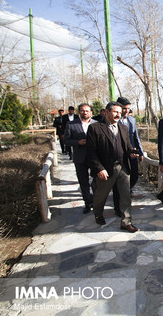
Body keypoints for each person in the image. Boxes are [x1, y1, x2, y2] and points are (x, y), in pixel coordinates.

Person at [86, 102, 140, 233]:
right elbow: (91, 152)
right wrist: (99, 168)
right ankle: (98, 214)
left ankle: (126, 222)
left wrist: (131, 152)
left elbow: (126, 147)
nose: (118, 114)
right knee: (101, 195)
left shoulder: (123, 128)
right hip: (105, 169)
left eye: (120, 112)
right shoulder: (95, 128)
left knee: (125, 196)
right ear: (106, 112)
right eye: (115, 112)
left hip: (123, 167)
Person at [112, 97, 144, 216]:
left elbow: (136, 137)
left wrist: (140, 152)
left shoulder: (132, 120)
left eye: (128, 109)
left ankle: (126, 191)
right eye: (124, 108)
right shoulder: (113, 120)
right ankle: (117, 207)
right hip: (118, 156)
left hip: (132, 154)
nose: (126, 111)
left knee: (134, 176)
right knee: (117, 182)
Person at [64, 104, 97, 214]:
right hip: (80, 157)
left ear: (91, 112)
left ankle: (96, 200)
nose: (85, 112)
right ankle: (87, 203)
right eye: (82, 111)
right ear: (79, 112)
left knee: (97, 181)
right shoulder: (71, 124)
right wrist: (78, 142)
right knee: (83, 182)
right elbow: (66, 141)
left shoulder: (96, 124)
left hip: (95, 158)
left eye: (87, 111)